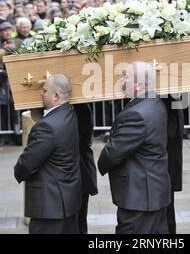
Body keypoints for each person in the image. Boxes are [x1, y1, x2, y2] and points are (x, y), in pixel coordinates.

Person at [98, 61, 171, 234]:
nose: (121, 79)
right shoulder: (154, 102)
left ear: (138, 85)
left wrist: (102, 161)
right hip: (153, 192)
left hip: (140, 197)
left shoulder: (136, 114)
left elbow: (112, 153)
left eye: (125, 76)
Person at [14, 74, 82, 234]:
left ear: (56, 96)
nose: (41, 94)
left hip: (50, 206)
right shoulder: (70, 113)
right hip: (68, 200)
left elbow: (26, 164)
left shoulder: (47, 127)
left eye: (44, 91)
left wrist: (18, 172)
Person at [73, 103, 98, 234]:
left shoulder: (81, 109)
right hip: (77, 171)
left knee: (78, 223)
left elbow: (71, 138)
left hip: (80, 171)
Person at [163, 95, 184, 234]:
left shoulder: (168, 101)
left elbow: (170, 131)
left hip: (166, 163)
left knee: (166, 210)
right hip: (167, 163)